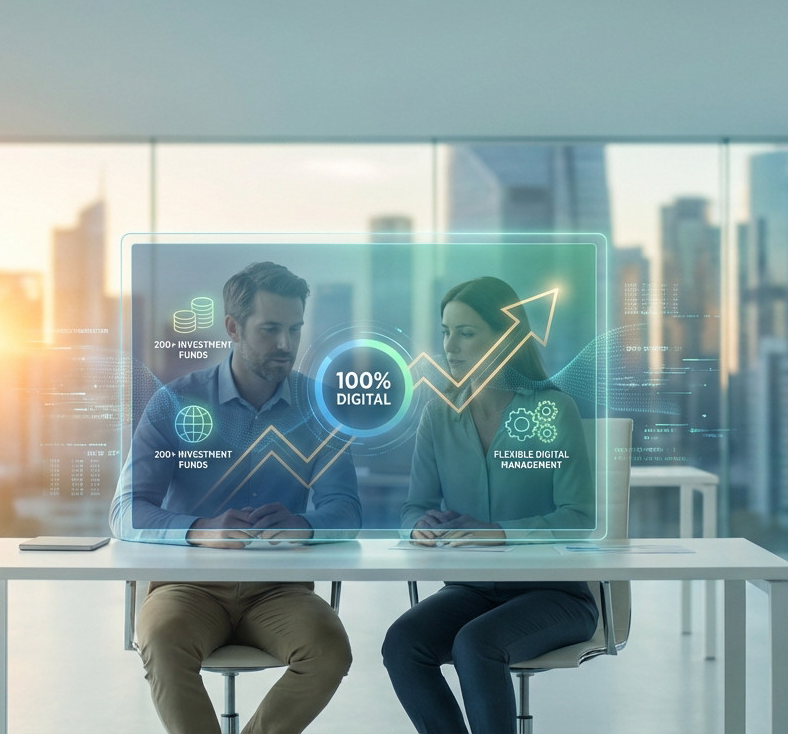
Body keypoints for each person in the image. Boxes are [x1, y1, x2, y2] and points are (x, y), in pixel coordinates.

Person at [110, 261, 360, 734]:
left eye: (294, 329)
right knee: (162, 641)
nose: (285, 344)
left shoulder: (319, 409)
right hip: (189, 589)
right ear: (232, 327)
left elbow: (345, 510)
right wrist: (201, 530)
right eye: (270, 329)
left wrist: (304, 526)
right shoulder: (175, 402)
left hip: (280, 589)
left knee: (329, 651)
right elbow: (126, 511)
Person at [381, 276, 596, 734]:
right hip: (472, 589)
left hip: (555, 594)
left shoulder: (552, 409)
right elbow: (412, 508)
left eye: (466, 332)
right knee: (402, 643)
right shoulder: (439, 415)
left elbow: (579, 519)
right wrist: (419, 526)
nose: (450, 345)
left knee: (475, 645)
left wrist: (498, 532)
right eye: (445, 331)